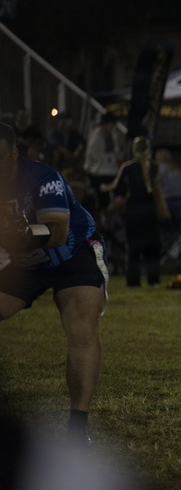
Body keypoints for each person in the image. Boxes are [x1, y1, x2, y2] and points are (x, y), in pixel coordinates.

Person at [0, 122, 109, 445]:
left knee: (82, 329)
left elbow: (57, 231)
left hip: (71, 252)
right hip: (23, 261)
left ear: (14, 155)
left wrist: (19, 236)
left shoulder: (42, 178)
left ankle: (78, 426)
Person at [101, 136, 168, 288]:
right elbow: (158, 192)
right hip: (150, 210)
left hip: (134, 210)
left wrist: (104, 188)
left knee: (134, 248)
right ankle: (153, 280)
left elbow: (118, 189)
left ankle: (133, 280)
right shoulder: (154, 167)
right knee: (152, 248)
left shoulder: (127, 168)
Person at [83, 113, 124, 212]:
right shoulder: (96, 135)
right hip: (97, 169)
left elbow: (114, 149)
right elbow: (92, 153)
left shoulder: (111, 134)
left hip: (109, 168)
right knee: (102, 193)